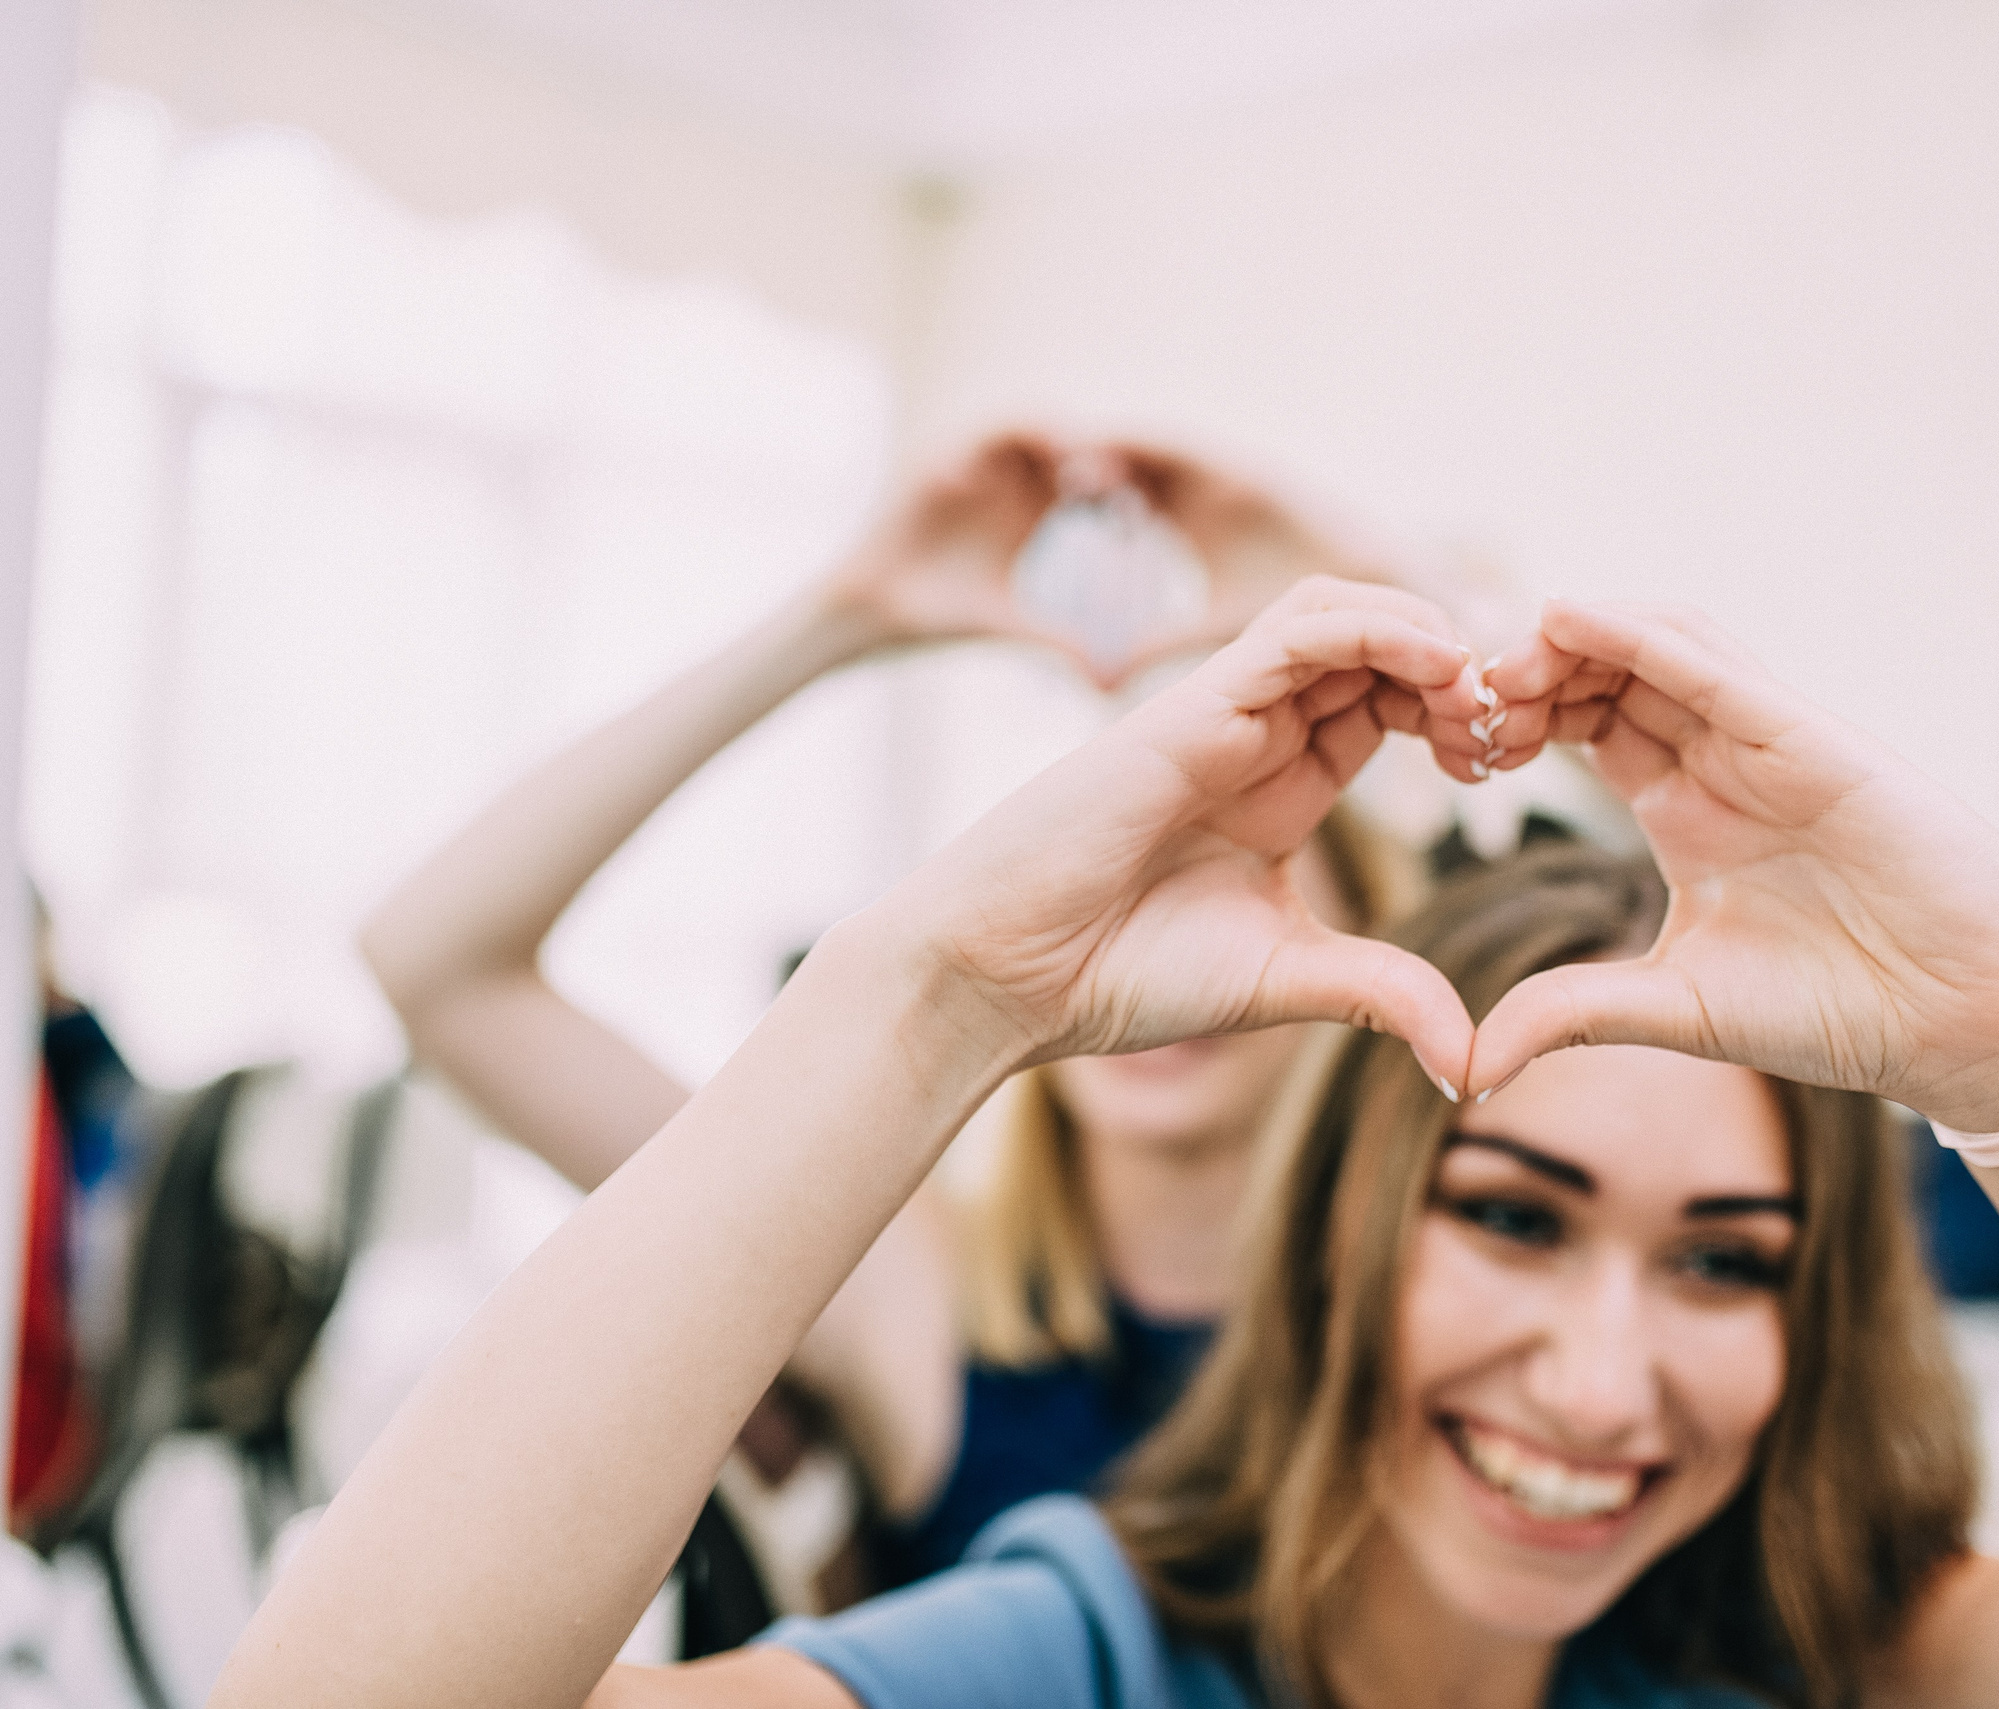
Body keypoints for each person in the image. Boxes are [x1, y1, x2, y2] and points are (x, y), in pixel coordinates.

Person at [222, 583, 1999, 1709]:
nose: (1601, 1375)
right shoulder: (1074, 1646)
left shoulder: (1820, 1642)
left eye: (1723, 1259)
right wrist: (928, 996)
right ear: (1336, 1235)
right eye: (1512, 1213)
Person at [357, 434, 1421, 1604]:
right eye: (1113, 885)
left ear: (1372, 931)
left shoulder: (1463, 1300)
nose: (1152, 955)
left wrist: (1406, 605)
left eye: (1223, 874)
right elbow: (437, 965)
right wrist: (837, 618)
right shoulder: (905, 1284)